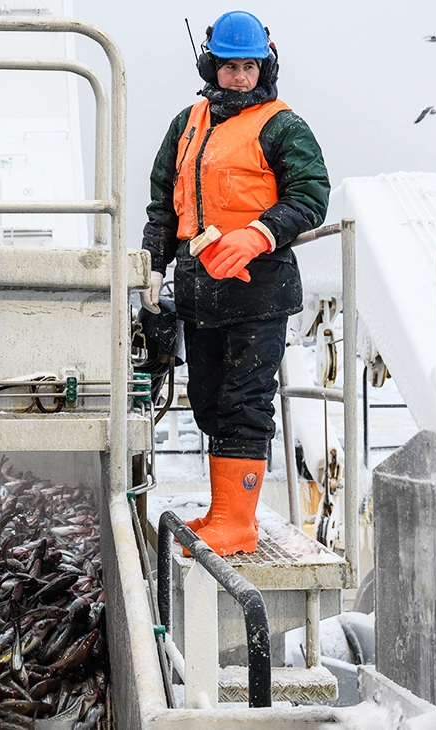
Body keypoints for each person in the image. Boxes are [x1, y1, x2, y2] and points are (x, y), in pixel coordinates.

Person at [141, 10, 329, 556]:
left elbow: (311, 197)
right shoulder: (186, 124)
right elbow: (163, 204)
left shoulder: (283, 126)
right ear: (211, 66)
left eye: (250, 67)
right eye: (230, 67)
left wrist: (259, 234)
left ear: (265, 65)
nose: (241, 77)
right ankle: (223, 509)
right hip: (199, 290)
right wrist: (153, 266)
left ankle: (237, 523)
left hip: (259, 289)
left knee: (245, 402)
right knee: (208, 403)